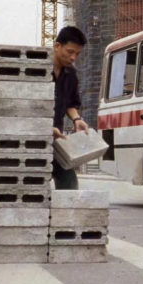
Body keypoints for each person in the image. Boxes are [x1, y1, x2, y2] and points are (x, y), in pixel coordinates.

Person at [51, 26, 89, 190]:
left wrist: (76, 119)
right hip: (31, 136)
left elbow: (70, 103)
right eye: (70, 51)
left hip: (56, 137)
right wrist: (44, 127)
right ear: (57, 46)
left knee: (69, 183)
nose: (73, 57)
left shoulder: (71, 74)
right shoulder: (37, 69)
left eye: (77, 54)